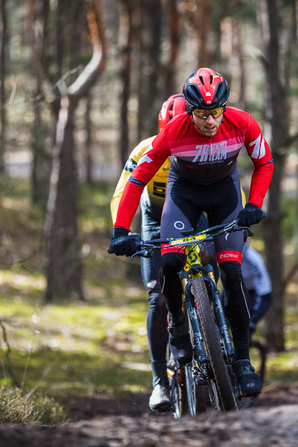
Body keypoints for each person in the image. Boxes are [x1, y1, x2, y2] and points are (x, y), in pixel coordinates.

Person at [108, 67, 273, 398]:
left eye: (215, 113)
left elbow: (264, 162)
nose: (209, 121)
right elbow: (134, 182)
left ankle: (242, 361)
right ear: (190, 112)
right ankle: (178, 330)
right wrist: (121, 231)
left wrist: (253, 204)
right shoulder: (170, 134)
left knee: (231, 270)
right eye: (201, 114)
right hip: (180, 199)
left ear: (224, 108)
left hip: (224, 194)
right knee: (167, 267)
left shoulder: (242, 123)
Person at [110, 93, 187, 412]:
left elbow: (228, 186)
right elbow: (122, 193)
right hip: (154, 217)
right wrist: (124, 232)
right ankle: (160, 381)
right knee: (158, 296)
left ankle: (217, 332)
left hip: (194, 213)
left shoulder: (200, 146)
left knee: (218, 267)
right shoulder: (145, 150)